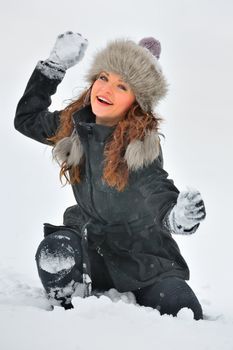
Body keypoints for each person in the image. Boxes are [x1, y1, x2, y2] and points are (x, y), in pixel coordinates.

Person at [14, 31, 206, 319]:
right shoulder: (73, 125)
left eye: (122, 86)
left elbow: (158, 190)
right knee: (57, 251)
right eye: (103, 77)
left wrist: (178, 217)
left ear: (136, 101)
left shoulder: (139, 148)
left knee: (183, 309)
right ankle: (69, 321)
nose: (106, 89)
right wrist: (54, 67)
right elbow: (26, 119)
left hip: (143, 260)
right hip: (93, 251)